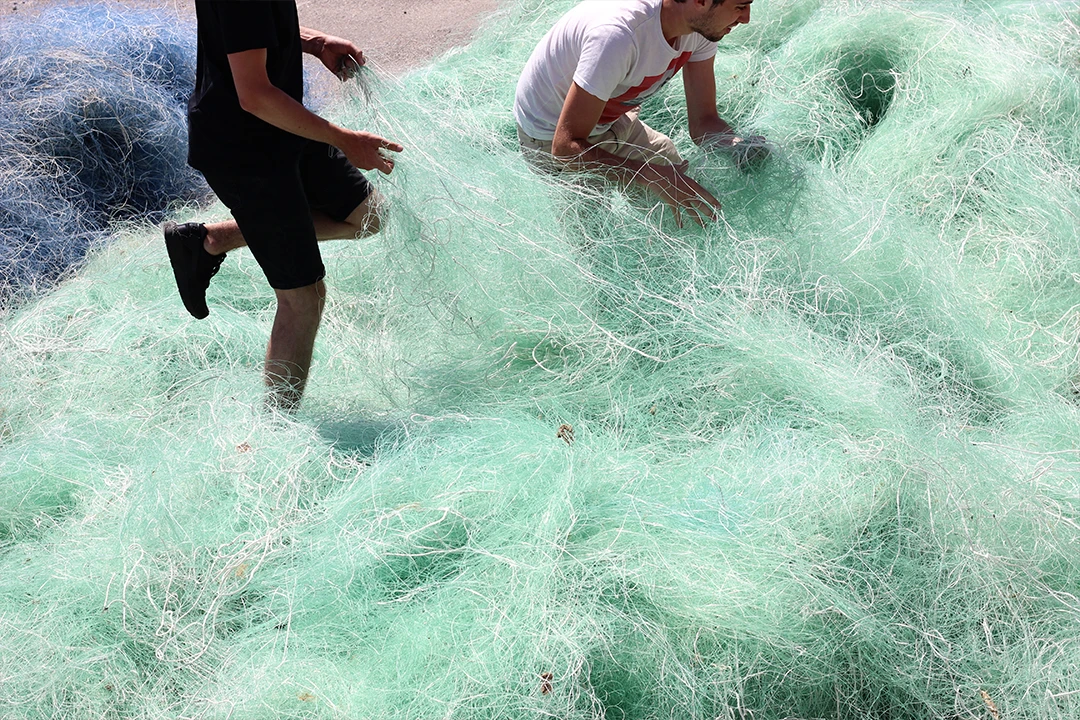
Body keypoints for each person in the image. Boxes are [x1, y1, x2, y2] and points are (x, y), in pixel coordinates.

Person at [164, 0, 403, 412]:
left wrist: (314, 41)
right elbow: (254, 94)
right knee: (303, 298)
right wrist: (344, 139)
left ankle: (210, 240)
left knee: (368, 215)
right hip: (244, 152)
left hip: (282, 125)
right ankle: (277, 432)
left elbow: (248, 30)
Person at [513, 0, 763, 228]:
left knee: (677, 183)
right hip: (550, 136)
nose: (746, 18)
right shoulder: (618, 36)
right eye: (741, 6)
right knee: (597, 237)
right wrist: (647, 174)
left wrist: (738, 148)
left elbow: (703, 122)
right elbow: (564, 148)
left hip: (608, 119)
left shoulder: (701, 28)